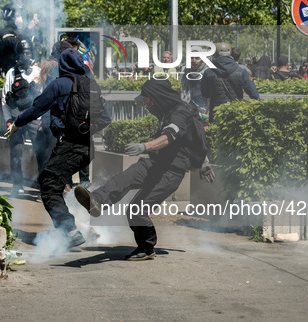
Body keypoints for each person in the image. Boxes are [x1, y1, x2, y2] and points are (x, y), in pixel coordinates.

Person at [73, 79, 215, 261]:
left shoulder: (179, 113)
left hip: (171, 172)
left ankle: (147, 248)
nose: (146, 104)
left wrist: (144, 146)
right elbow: (190, 138)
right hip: (156, 164)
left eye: (147, 100)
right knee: (123, 178)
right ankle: (97, 201)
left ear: (158, 97)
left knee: (136, 210)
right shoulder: (168, 110)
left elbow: (168, 137)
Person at [5, 48, 111, 247]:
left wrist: (17, 123)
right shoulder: (92, 85)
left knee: (48, 185)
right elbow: (107, 118)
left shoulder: (59, 84)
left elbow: (37, 109)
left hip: (70, 146)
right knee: (55, 181)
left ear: (62, 66)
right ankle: (88, 221)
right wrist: (85, 129)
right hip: (87, 148)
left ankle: (70, 231)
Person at [2, 39, 47, 196]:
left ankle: (43, 186)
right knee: (16, 152)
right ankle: (17, 184)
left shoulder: (38, 72)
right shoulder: (11, 73)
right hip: (16, 117)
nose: (25, 56)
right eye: (22, 53)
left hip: (35, 117)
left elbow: (45, 96)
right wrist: (8, 119)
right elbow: (4, 99)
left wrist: (43, 119)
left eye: (27, 53)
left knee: (41, 151)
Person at [201, 42, 260, 122]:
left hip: (216, 115)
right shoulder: (241, 71)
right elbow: (254, 94)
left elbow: (205, 94)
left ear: (215, 55)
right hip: (235, 113)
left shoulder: (208, 72)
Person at [0, 3, 40, 76]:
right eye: (17, 16)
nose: (20, 18)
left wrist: (37, 30)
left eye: (20, 15)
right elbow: (16, 44)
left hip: (26, 72)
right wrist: (28, 29)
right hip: (12, 73)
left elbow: (37, 44)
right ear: (10, 17)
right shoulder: (4, 33)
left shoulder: (20, 32)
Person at [180, 45, 208, 114]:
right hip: (189, 108)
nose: (194, 61)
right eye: (191, 58)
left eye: (197, 58)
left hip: (205, 109)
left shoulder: (207, 72)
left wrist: (207, 114)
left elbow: (211, 95)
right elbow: (180, 89)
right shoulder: (185, 70)